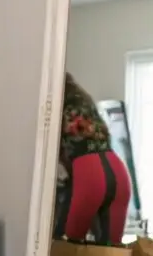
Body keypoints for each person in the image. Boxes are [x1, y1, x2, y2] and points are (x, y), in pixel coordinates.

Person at [55, 73, 131, 245]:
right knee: (111, 253)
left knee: (65, 248)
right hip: (118, 170)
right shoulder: (85, 100)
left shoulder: (55, 104)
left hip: (89, 173)